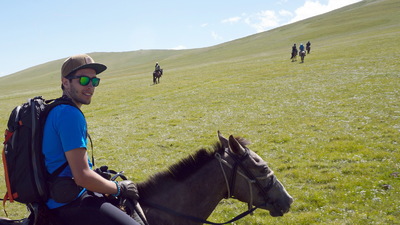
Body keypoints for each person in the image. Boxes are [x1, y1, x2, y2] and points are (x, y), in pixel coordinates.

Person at [43, 54, 141, 225]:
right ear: (65, 82)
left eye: (94, 81)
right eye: (83, 80)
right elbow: (82, 177)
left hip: (57, 195)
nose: (90, 86)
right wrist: (120, 188)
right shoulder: (69, 114)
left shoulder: (56, 110)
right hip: (69, 202)